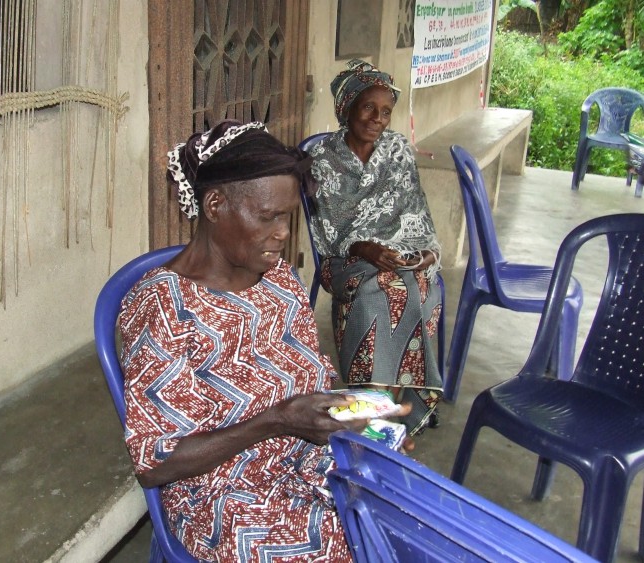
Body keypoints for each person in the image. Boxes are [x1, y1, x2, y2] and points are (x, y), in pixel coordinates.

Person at [119, 120, 385, 561]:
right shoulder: (164, 308)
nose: (283, 233)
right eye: (267, 217)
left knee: (401, 509)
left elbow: (314, 377)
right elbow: (154, 464)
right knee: (334, 546)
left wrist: (362, 418)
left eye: (287, 216)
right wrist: (276, 421)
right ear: (215, 204)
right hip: (223, 491)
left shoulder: (278, 278)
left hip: (306, 459)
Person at [308, 59, 443, 436]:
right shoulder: (323, 159)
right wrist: (364, 249)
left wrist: (425, 253)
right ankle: (376, 403)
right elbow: (327, 231)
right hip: (344, 257)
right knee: (377, 292)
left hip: (399, 251)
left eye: (385, 111)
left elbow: (416, 212)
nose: (377, 119)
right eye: (368, 107)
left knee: (419, 286)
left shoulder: (397, 149)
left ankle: (391, 405)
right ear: (347, 108)